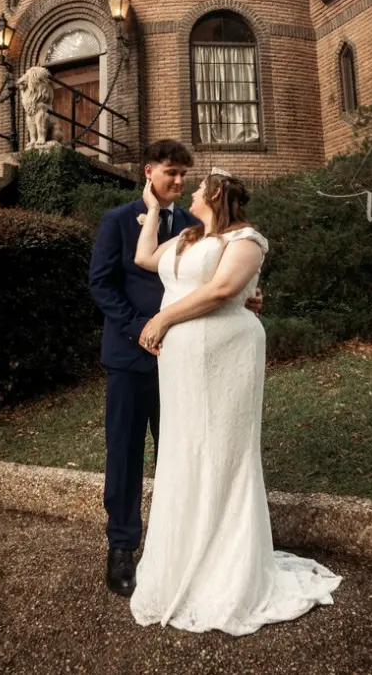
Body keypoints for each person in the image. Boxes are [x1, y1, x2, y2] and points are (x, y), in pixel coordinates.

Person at [128, 170, 342, 636]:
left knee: (224, 451)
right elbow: (145, 259)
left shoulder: (246, 239)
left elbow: (225, 291)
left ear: (217, 193)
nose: (191, 192)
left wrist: (161, 318)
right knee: (185, 450)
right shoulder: (185, 236)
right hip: (182, 363)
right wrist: (152, 208)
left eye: (199, 185)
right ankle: (186, 554)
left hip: (227, 353)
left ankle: (228, 566)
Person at [88, 141, 262, 596]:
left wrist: (248, 297)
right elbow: (103, 286)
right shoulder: (118, 221)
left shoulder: (195, 225)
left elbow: (219, 283)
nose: (179, 182)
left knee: (182, 452)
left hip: (187, 364)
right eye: (171, 173)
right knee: (124, 454)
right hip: (131, 357)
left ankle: (183, 543)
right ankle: (122, 546)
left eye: (186, 175)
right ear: (149, 172)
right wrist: (144, 329)